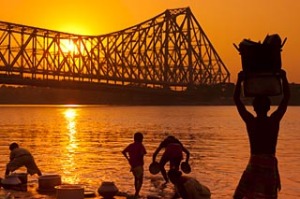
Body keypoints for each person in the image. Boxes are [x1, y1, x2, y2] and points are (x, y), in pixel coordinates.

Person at [233, 69, 290, 199]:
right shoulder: (274, 121)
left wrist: (239, 80)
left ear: (253, 108)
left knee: (240, 195)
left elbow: (237, 100)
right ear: (269, 107)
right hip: (269, 163)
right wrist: (284, 78)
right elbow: (286, 98)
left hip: (255, 161)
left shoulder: (251, 121)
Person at [122, 132, 147, 198]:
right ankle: (137, 193)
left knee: (136, 179)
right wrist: (140, 158)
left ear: (134, 138)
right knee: (141, 180)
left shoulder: (131, 145)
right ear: (141, 139)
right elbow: (143, 153)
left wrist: (128, 159)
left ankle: (136, 192)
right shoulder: (140, 145)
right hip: (139, 165)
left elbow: (123, 152)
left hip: (133, 165)